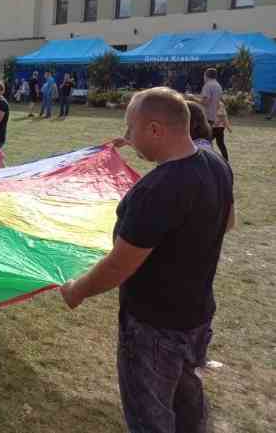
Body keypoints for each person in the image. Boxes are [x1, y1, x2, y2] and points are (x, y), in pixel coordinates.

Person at [61, 87, 235, 433]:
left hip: (154, 330)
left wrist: (77, 290)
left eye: (131, 128)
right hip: (197, 318)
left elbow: (118, 266)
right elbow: (227, 222)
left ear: (155, 129)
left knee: (150, 419)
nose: (128, 137)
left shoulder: (157, 190)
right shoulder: (217, 165)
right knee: (188, 410)